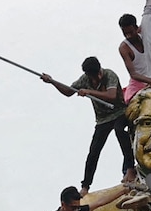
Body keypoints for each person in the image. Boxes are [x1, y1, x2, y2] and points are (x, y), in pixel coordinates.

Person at [41, 56, 136, 196]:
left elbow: (111, 95)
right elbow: (68, 92)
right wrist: (52, 82)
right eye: (92, 78)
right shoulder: (85, 79)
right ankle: (85, 186)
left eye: (97, 76)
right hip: (103, 119)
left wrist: (89, 91)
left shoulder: (110, 75)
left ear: (100, 71)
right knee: (94, 150)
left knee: (119, 130)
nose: (95, 80)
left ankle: (129, 168)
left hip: (119, 112)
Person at [117, 13, 151, 104]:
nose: (128, 36)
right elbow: (133, 74)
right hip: (138, 84)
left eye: (131, 32)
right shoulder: (124, 48)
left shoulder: (144, 32)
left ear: (136, 28)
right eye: (125, 34)